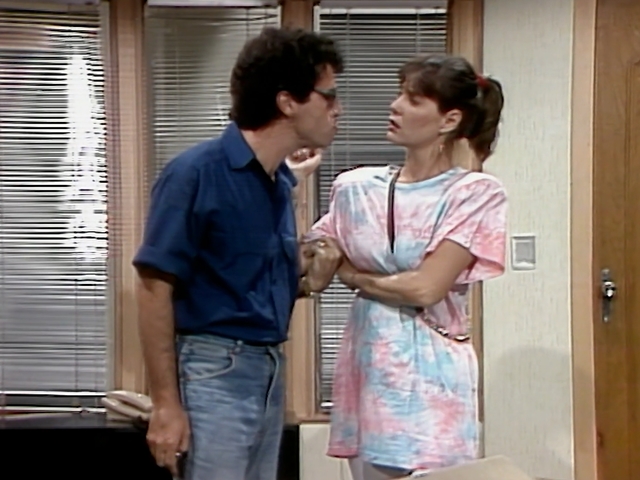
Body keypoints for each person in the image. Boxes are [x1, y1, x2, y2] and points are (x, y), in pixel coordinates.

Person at [132, 27, 344, 480]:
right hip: (214, 369)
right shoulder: (196, 173)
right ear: (287, 102)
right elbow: (153, 287)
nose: (337, 109)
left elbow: (241, 280)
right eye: (328, 96)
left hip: (268, 368)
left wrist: (306, 280)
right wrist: (166, 404)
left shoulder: (277, 183)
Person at [304, 53, 508, 479]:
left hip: (429, 374)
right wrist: (287, 184)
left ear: (449, 120)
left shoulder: (473, 193)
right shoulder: (356, 188)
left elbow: (426, 288)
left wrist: (353, 276)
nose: (395, 106)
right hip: (368, 367)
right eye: (399, 95)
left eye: (413, 100)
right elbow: (316, 265)